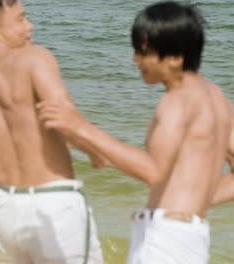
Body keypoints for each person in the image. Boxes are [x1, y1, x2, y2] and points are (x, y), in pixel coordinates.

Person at [37, 1, 233, 264]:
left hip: (164, 240)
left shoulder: (176, 101)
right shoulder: (217, 99)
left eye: (144, 52)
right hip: (192, 236)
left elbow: (153, 170)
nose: (135, 59)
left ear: (175, 57)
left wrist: (80, 127)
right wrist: (195, 201)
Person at [0, 0, 104, 263]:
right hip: (53, 202)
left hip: (5, 207)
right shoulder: (34, 58)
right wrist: (96, 149)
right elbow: (65, 116)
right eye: (20, 19)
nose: (29, 26)